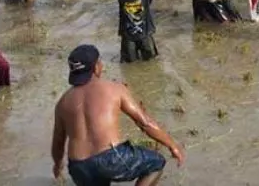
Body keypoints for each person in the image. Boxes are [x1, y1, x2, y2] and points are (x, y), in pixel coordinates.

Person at [51, 44, 185, 185]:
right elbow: (145, 123)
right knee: (156, 163)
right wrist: (172, 145)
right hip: (110, 158)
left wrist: (57, 165)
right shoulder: (114, 89)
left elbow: (58, 142)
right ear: (96, 67)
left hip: (78, 166)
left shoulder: (62, 102)